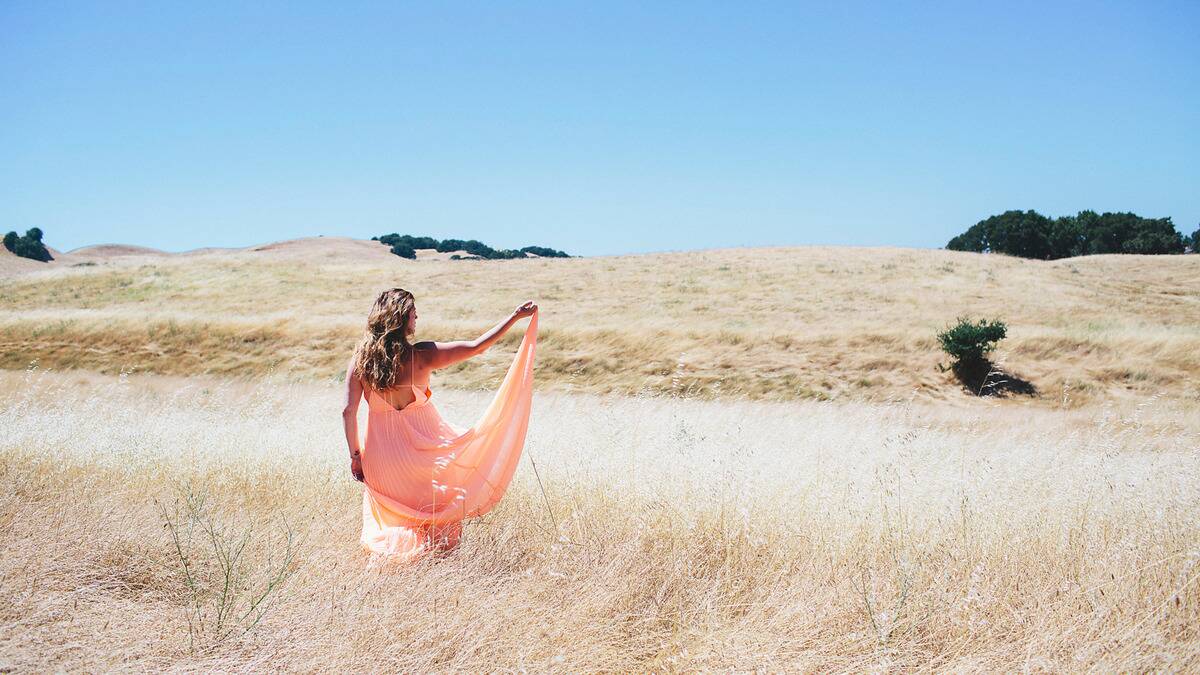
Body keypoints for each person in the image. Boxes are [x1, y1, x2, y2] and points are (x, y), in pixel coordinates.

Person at [342, 288, 538, 561]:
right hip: (424, 454)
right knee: (433, 510)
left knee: (394, 519)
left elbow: (348, 411)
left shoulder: (361, 361)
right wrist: (515, 317)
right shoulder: (422, 355)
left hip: (381, 457)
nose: (417, 316)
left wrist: (355, 457)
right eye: (413, 312)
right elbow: (477, 347)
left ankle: (397, 563)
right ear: (400, 318)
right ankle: (432, 564)